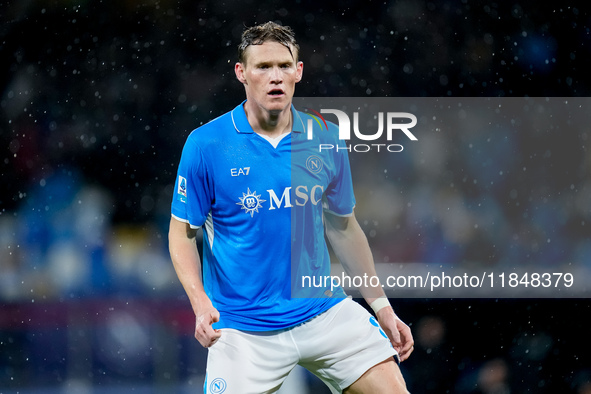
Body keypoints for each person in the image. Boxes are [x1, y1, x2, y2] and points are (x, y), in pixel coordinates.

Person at [168, 21, 413, 394]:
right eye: (263, 67)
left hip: (322, 311)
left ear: (299, 71)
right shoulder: (206, 145)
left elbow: (343, 227)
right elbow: (183, 233)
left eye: (284, 65)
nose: (275, 76)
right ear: (242, 73)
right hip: (244, 329)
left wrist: (382, 306)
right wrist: (200, 303)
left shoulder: (326, 137)